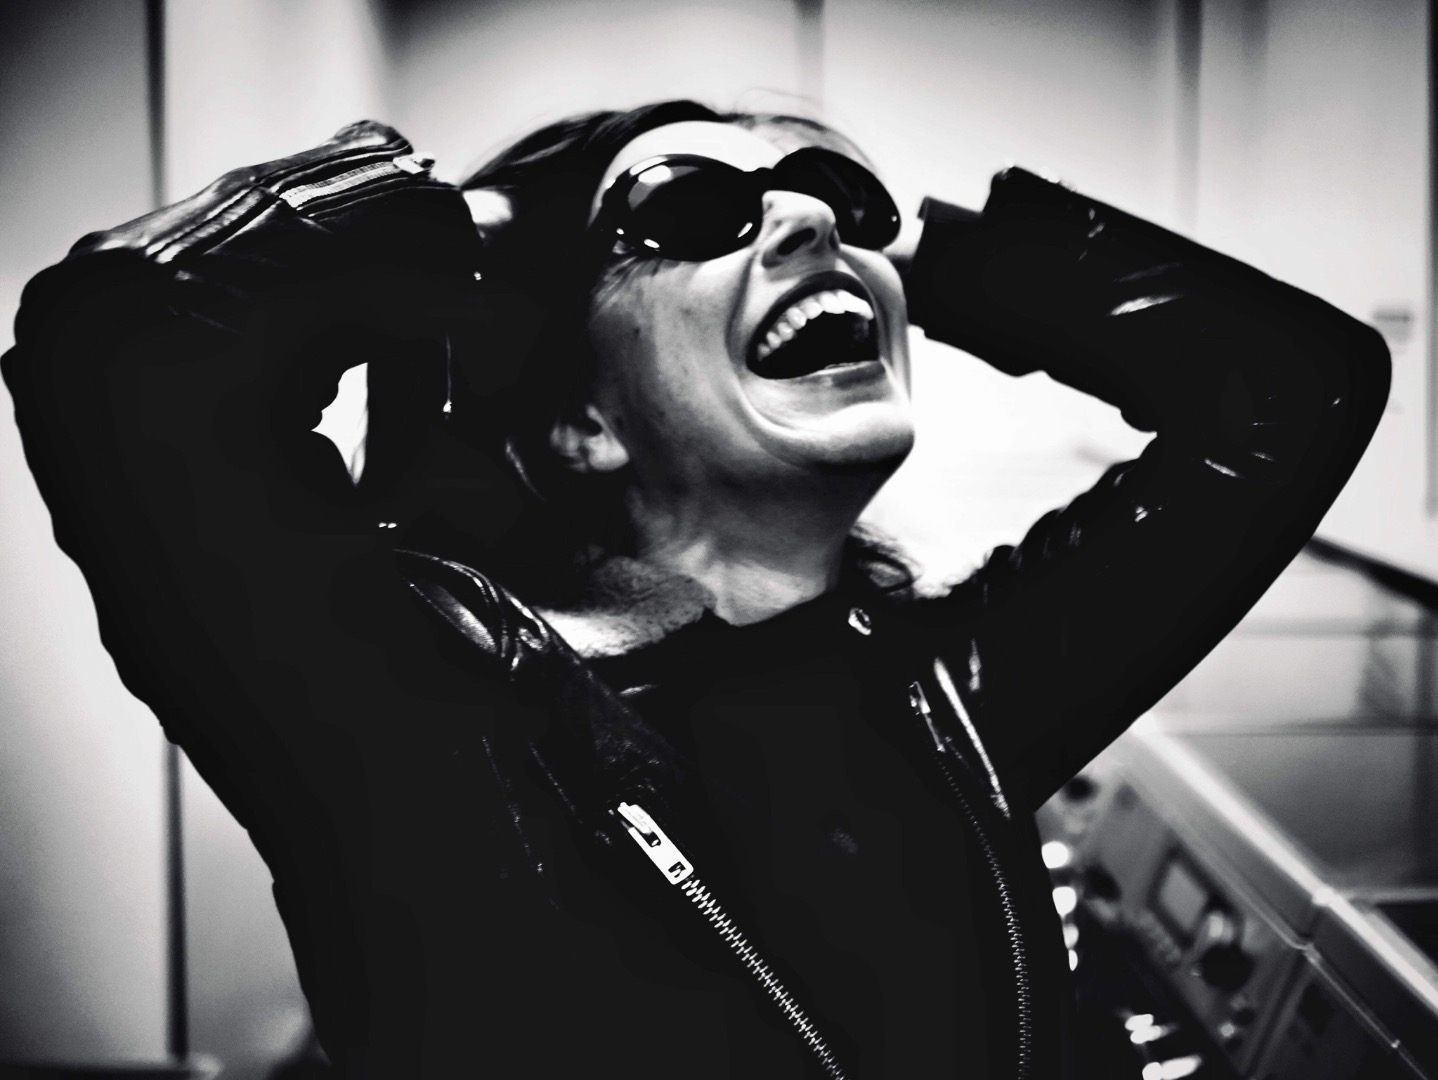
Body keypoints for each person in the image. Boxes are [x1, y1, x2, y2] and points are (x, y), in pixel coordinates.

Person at [3, 99, 1389, 1078]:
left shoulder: (961, 692)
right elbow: (114, 352)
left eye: (838, 196)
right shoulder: (409, 725)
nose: (807, 214)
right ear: (580, 424)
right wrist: (472, 228)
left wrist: (937, 253)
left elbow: (1291, 385)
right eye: (685, 211)